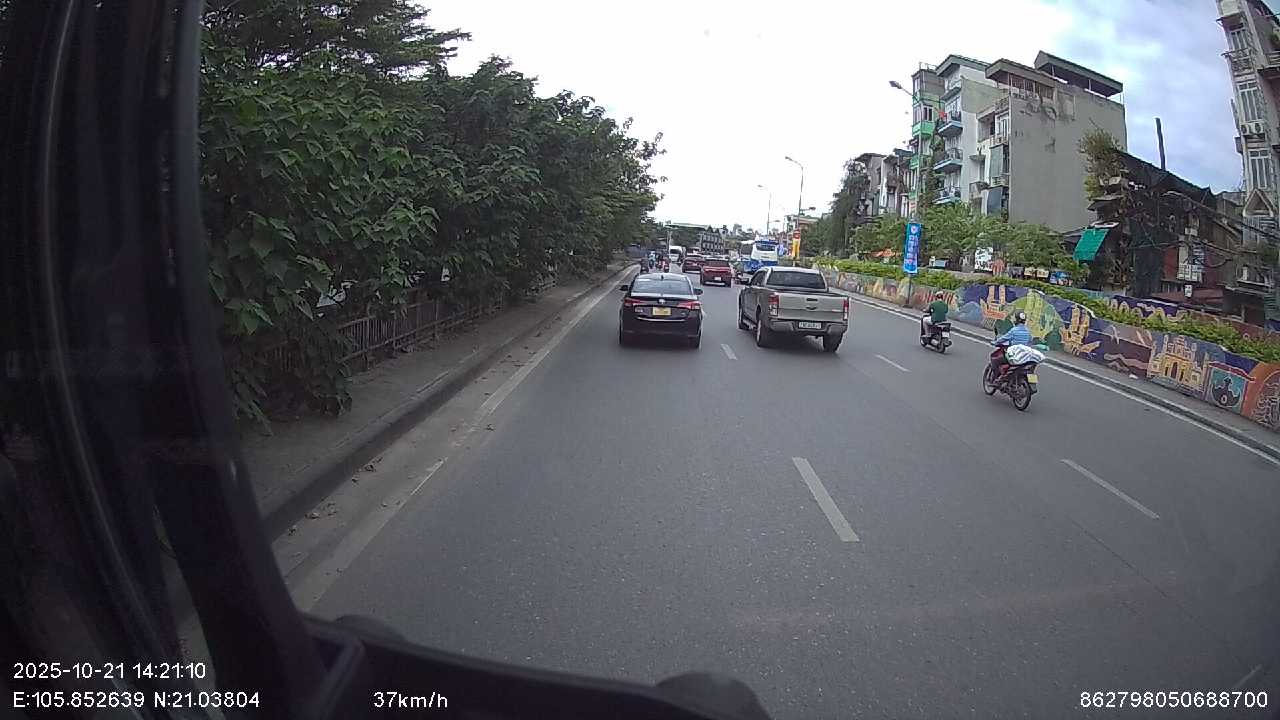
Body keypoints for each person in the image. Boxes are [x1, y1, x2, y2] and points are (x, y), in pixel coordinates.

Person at [991, 311, 1032, 379]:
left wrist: (995, 342)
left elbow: (1004, 338)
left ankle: (997, 377)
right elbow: (1030, 342)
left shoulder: (1014, 330)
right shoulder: (1028, 331)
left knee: (996, 360)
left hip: (1014, 354)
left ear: (1017, 320)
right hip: (1024, 355)